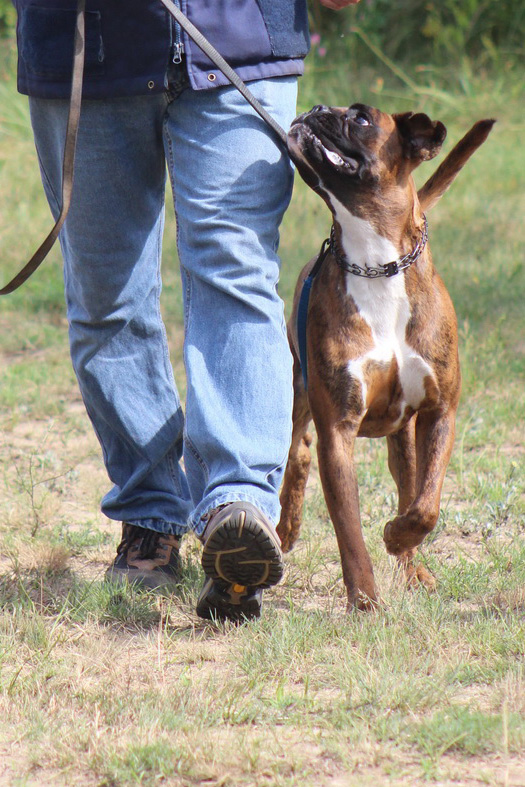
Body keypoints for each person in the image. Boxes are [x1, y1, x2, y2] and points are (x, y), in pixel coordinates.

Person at [12, 0, 359, 621]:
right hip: (83, 47)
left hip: (240, 39)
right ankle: (150, 513)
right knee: (105, 300)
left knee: (238, 273)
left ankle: (240, 507)